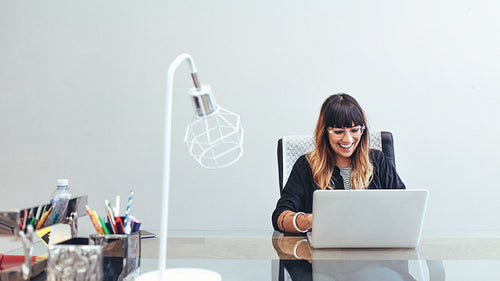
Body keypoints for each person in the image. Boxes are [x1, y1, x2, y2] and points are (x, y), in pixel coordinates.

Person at [272, 93, 406, 233]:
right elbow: (279, 217)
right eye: (338, 131)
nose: (348, 139)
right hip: (323, 251)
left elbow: (405, 207)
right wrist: (311, 220)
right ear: (324, 132)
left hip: (374, 247)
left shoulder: (378, 161)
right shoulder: (306, 165)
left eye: (354, 130)